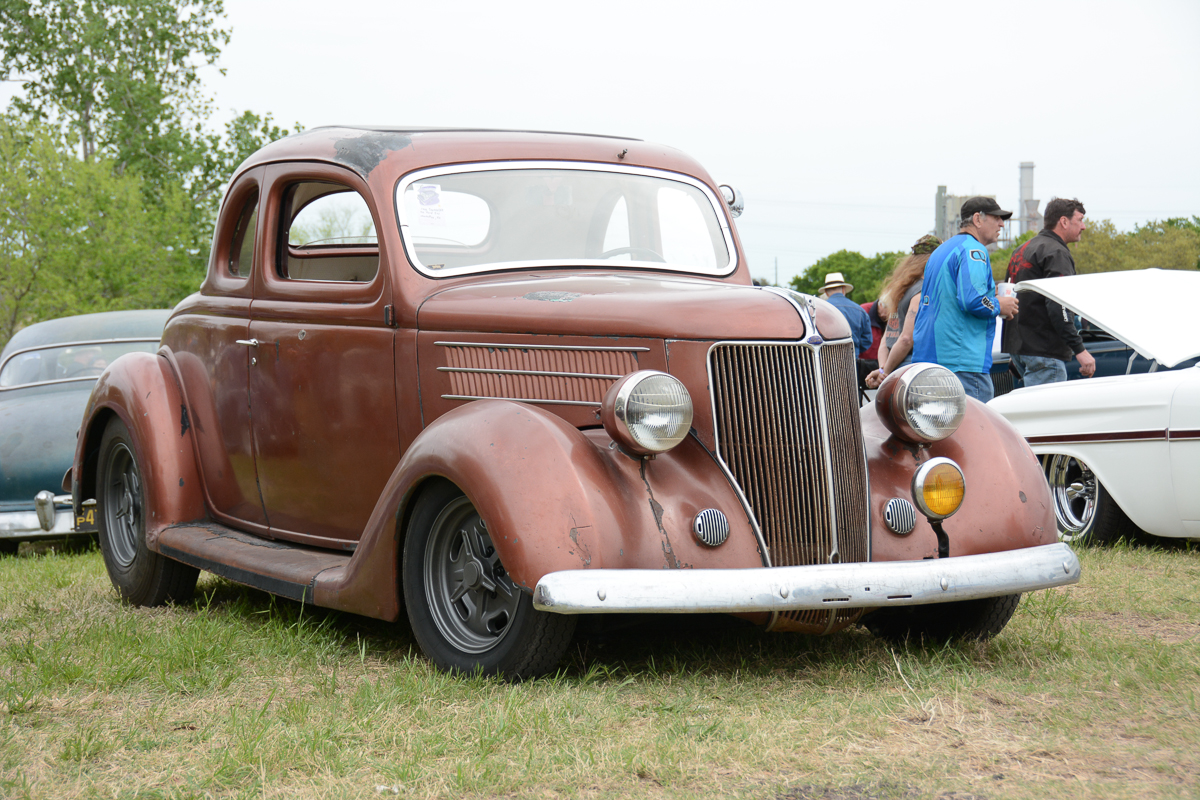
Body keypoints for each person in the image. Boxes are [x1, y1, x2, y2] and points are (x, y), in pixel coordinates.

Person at [911, 197, 1019, 403]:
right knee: (973, 432)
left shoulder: (942, 250)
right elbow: (973, 300)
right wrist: (999, 304)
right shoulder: (974, 250)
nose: (1002, 224)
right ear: (978, 219)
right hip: (962, 364)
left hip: (930, 359)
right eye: (997, 218)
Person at [1001, 197, 1096, 385]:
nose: (1083, 226)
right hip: (1043, 351)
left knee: (1029, 412)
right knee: (1046, 412)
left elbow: (1008, 296)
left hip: (1018, 349)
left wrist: (1017, 350)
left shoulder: (1021, 250)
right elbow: (1058, 305)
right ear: (1064, 221)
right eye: (1080, 220)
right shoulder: (1056, 252)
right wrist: (1080, 350)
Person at [864, 234, 942, 389]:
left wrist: (882, 370)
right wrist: (885, 372)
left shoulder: (901, 291)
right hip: (912, 369)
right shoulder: (922, 291)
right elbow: (906, 339)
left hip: (896, 368)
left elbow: (887, 338)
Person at [819, 272, 872, 357]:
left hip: (826, 359)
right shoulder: (860, 310)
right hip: (852, 358)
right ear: (843, 289)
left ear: (826, 292)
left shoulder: (819, 310)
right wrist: (855, 348)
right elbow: (867, 340)